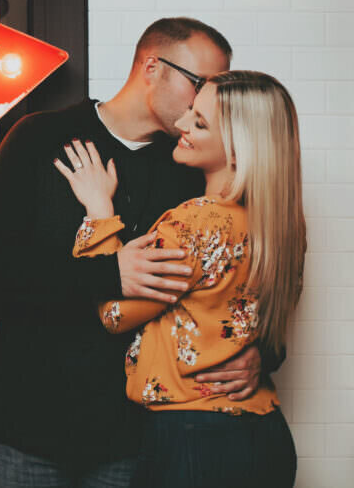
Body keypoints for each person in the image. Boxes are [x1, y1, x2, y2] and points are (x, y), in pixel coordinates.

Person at [0, 18, 272, 487]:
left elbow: (245, 272)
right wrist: (111, 273)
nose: (203, 103)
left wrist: (260, 352)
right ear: (152, 66)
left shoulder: (194, 165)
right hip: (25, 426)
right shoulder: (37, 137)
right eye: (199, 84)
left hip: (132, 438)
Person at [55, 70, 302, 487]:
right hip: (262, 432)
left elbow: (113, 314)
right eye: (191, 111)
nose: (182, 125)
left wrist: (99, 212)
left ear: (239, 152)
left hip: (195, 442)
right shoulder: (281, 224)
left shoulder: (197, 222)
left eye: (200, 123)